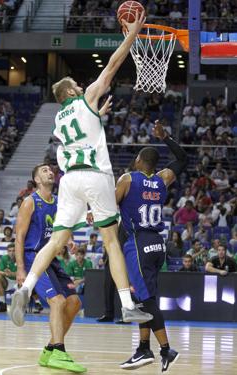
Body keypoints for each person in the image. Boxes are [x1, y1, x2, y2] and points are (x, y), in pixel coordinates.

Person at [10, 12, 153, 326]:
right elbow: (114, 64)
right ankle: (128, 304)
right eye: (77, 85)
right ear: (73, 91)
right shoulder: (86, 96)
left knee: (56, 241)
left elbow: (83, 129)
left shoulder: (59, 121)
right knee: (111, 240)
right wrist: (133, 34)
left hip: (70, 180)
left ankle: (27, 287)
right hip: (93, 175)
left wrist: (97, 114)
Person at [116, 120, 188, 372]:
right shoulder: (162, 179)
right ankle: (142, 348)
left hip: (138, 242)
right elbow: (182, 158)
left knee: (146, 301)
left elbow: (110, 205)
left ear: (138, 160)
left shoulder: (127, 178)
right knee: (144, 299)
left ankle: (166, 348)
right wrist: (165, 136)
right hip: (158, 244)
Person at [13, 163, 86, 372]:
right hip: (33, 258)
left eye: (50, 170)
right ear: (36, 179)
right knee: (58, 301)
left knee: (74, 303)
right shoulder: (30, 202)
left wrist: (69, 240)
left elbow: (59, 228)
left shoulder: (58, 202)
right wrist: (20, 269)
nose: (49, 172)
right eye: (44, 171)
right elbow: (19, 237)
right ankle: (60, 352)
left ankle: (49, 349)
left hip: (52, 260)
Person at [0, 243, 17, 312]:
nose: (11, 253)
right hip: (7, 280)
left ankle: (20, 306)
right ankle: (2, 303)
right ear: (7, 251)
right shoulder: (4, 258)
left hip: (18, 281)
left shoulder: (21, 258)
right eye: (9, 251)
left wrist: (11, 274)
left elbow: (22, 273)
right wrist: (5, 273)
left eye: (13, 251)